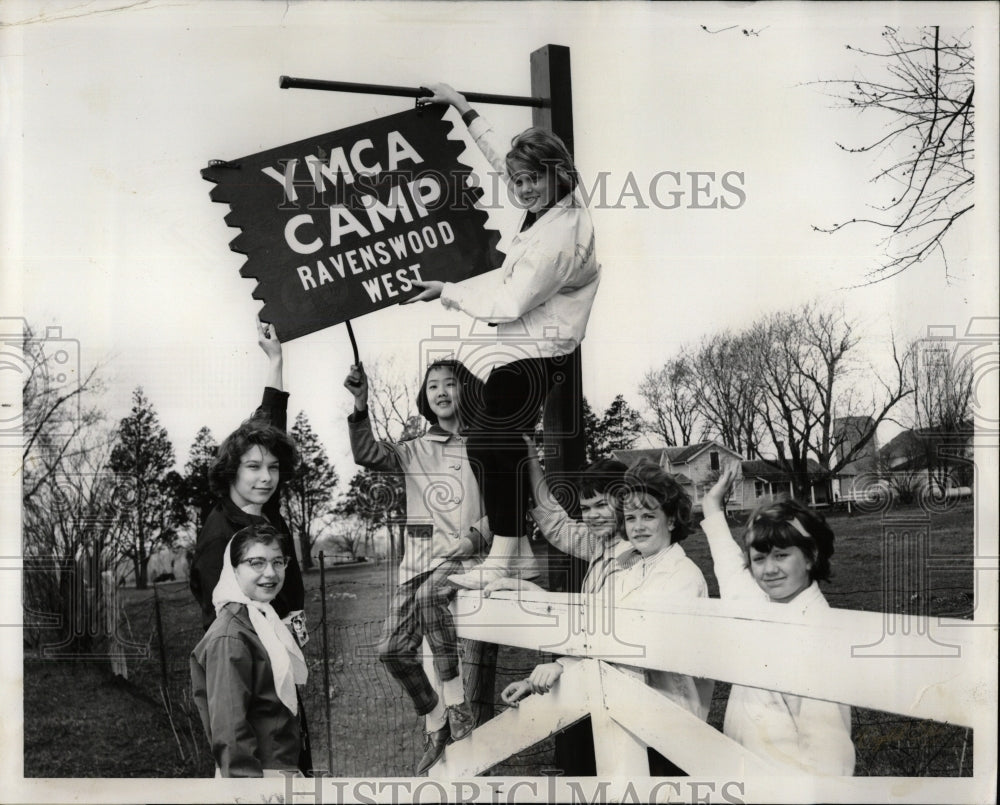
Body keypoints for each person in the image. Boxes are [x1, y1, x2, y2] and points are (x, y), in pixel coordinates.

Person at [403, 81, 602, 589]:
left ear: (558, 175)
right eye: (519, 181)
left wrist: (447, 290)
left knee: (493, 441)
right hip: (521, 350)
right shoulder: (549, 202)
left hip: (541, 353)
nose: (522, 189)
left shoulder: (557, 240)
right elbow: (503, 162)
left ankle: (505, 560)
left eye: (533, 179)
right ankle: (513, 558)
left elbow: (508, 303)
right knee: (489, 446)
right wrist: (465, 110)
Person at [502, 459, 714, 775]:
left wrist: (559, 656)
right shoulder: (634, 564)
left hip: (666, 721)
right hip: (627, 709)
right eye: (631, 517)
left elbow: (632, 640)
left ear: (670, 520)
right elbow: (603, 630)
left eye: (647, 516)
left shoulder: (674, 573)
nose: (638, 525)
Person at [344, 358, 490, 775]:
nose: (441, 392)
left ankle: (459, 705)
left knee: (431, 599)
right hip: (418, 564)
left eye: (450, 384)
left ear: (465, 391)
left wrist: (475, 537)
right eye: (432, 387)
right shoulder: (413, 449)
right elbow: (368, 453)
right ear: (425, 400)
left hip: (465, 558)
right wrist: (359, 403)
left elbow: (504, 508)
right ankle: (437, 718)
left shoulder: (483, 444)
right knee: (391, 650)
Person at [701, 464, 856, 776]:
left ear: (811, 556)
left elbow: (831, 755)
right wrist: (712, 507)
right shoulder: (760, 602)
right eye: (759, 559)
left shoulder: (817, 636)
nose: (768, 570)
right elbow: (731, 568)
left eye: (782, 555)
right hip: (744, 780)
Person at [489, 438, 629, 775]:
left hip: (622, 701)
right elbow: (556, 523)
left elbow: (613, 631)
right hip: (589, 687)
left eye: (601, 505)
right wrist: (532, 460)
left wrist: (564, 665)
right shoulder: (601, 544)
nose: (592, 516)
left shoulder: (634, 556)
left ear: (626, 502)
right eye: (587, 507)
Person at [189, 320, 305, 634]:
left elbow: (272, 426)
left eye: (273, 467)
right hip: (250, 665)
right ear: (231, 472)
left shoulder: (263, 508)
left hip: (284, 648)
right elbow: (219, 627)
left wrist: (275, 361)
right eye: (253, 467)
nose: (266, 478)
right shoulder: (220, 537)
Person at [190, 524, 308, 777]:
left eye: (278, 562)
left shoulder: (261, 619)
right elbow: (230, 733)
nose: (271, 573)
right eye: (256, 563)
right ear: (233, 570)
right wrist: (250, 793)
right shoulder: (231, 637)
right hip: (256, 777)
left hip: (280, 768)